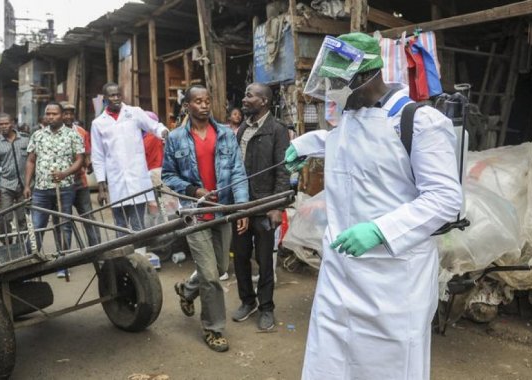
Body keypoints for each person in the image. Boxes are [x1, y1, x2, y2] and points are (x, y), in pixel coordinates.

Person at [284, 33, 462, 379]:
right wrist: (306, 144)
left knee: (389, 366)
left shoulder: (419, 123)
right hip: (341, 274)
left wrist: (380, 230)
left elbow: (445, 198)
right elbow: (348, 145)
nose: (333, 91)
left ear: (367, 77)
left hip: (394, 281)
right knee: (331, 361)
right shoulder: (352, 117)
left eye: (339, 83)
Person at [163, 85, 249, 352]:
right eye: (197, 101)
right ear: (187, 106)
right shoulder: (176, 138)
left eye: (207, 100)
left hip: (222, 212)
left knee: (221, 267)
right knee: (211, 277)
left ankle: (188, 289)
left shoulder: (224, 133)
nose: (204, 105)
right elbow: (168, 175)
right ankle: (214, 329)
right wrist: (193, 190)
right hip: (195, 214)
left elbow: (237, 171)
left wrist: (242, 207)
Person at [231, 82, 290, 331]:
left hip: (266, 205)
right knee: (240, 256)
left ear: (264, 101)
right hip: (242, 205)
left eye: (249, 95)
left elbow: (283, 170)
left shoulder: (277, 130)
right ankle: (248, 301)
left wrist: (277, 206)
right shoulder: (242, 128)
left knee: (265, 260)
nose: (244, 99)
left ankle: (266, 307)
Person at [90, 82, 169, 233]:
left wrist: (163, 132)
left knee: (138, 223)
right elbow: (98, 156)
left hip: (137, 179)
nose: (116, 98)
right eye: (112, 95)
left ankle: (139, 254)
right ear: (105, 99)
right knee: (120, 224)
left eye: (118, 94)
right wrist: (101, 187)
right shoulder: (98, 123)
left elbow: (155, 126)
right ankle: (124, 256)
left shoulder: (134, 112)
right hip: (116, 181)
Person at [24, 102, 84, 278]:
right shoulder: (38, 135)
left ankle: (62, 263)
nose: (51, 117)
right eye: (48, 114)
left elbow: (80, 160)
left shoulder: (73, 135)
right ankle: (29, 265)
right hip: (41, 189)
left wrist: (65, 173)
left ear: (61, 115)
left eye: (54, 114)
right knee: (36, 226)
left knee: (63, 225)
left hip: (64, 189)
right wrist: (28, 185)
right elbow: (31, 161)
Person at [62, 102, 100, 248]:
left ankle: (97, 250)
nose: (69, 116)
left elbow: (87, 154)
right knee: (64, 220)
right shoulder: (52, 134)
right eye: (65, 113)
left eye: (71, 113)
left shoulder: (82, 132)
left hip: (79, 183)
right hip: (62, 184)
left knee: (88, 217)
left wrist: (88, 164)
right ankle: (63, 259)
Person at [0, 113, 29, 243]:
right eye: (1, 124)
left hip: (25, 185)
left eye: (6, 123)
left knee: (23, 218)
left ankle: (21, 245)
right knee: (5, 218)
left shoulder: (25, 139)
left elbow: (32, 161)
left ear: (12, 123)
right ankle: (7, 244)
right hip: (6, 185)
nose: (4, 126)